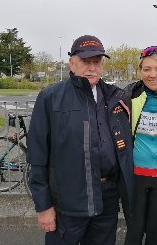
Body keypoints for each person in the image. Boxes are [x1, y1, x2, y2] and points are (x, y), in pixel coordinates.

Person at [28, 35, 123, 245]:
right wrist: (43, 206)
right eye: (85, 62)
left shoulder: (114, 96)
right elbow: (37, 155)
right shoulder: (51, 97)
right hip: (67, 200)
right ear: (72, 63)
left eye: (96, 62)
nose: (91, 68)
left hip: (106, 199)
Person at [113, 45, 157, 245]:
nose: (153, 75)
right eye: (147, 69)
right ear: (139, 71)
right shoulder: (127, 98)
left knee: (154, 233)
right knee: (134, 233)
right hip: (134, 177)